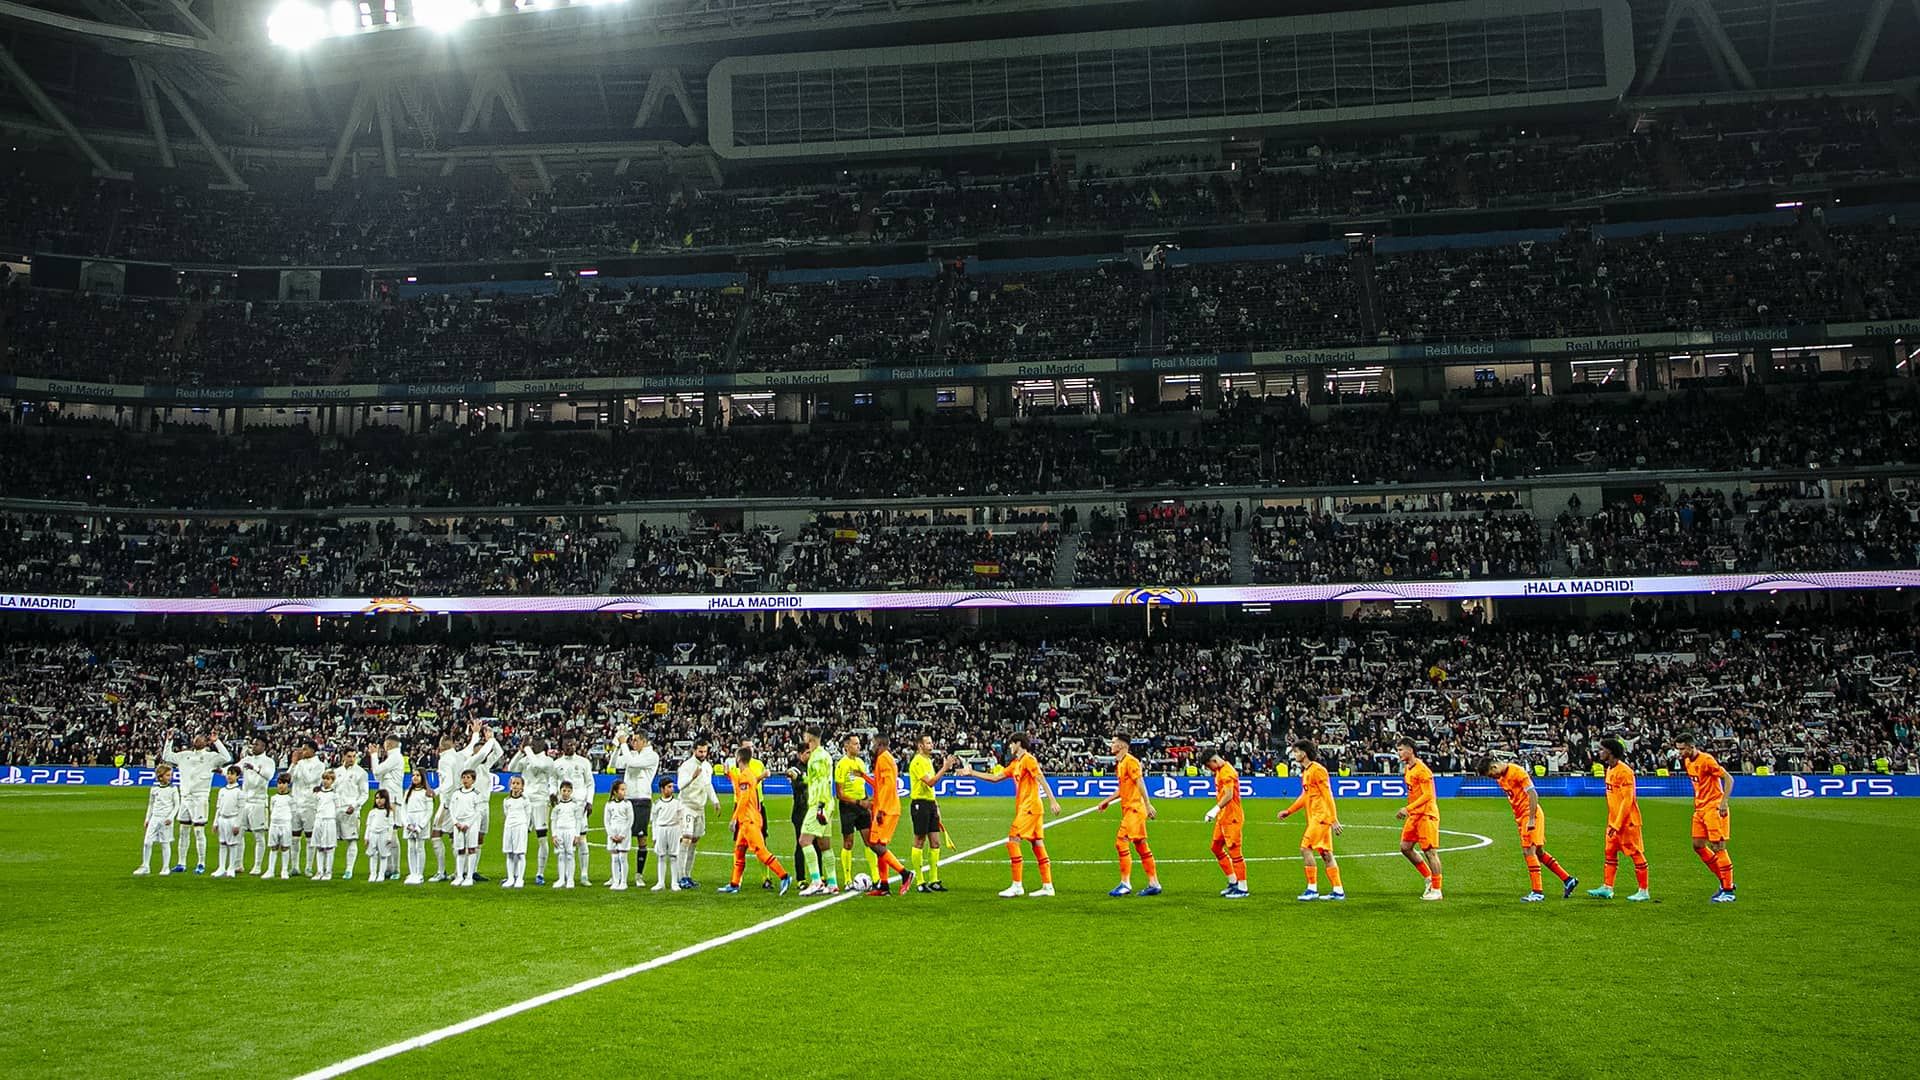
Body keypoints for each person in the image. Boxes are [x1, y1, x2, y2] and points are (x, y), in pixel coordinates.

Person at [953, 733, 1061, 898]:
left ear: (1018, 743)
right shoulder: (1016, 764)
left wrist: (1053, 801)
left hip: (1030, 807)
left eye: (1011, 744)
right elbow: (996, 778)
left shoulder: (1028, 760)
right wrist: (972, 773)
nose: (1010, 747)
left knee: (1013, 840)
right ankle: (1048, 886)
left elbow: (1041, 778)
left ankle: (1017, 885)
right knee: (1037, 843)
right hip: (1029, 808)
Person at [1475, 755, 1577, 902]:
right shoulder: (1501, 778)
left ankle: (1537, 891)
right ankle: (1568, 879)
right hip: (1521, 817)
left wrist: (1531, 818)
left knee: (1528, 850)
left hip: (1530, 814)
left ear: (1494, 767)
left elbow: (1533, 794)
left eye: (1491, 775)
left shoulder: (1518, 772)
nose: (1492, 778)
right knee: (1539, 853)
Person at [717, 747, 792, 896]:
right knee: (738, 852)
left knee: (761, 852)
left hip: (749, 821)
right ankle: (734, 883)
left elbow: (743, 799)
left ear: (738, 759)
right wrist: (729, 773)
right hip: (746, 821)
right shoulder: (747, 775)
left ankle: (784, 876)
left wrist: (733, 819)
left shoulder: (746, 776)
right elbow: (739, 785)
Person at [1278, 740, 1344, 901]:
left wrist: (1333, 819)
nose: (1294, 754)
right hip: (1316, 817)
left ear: (1304, 753)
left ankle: (1312, 889)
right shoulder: (1307, 771)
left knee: (1305, 848)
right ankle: (1338, 890)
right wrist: (1290, 811)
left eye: (1296, 751)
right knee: (1325, 853)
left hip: (1320, 817)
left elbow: (1328, 795)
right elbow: (1305, 795)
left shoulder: (1318, 770)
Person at [1096, 733, 1159, 897]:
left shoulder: (1131, 762)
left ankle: (1125, 883)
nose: (1111, 744)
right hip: (1130, 809)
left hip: (1135, 809)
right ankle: (1154, 884)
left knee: (1121, 841)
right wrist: (1107, 801)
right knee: (1140, 845)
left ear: (1122, 745)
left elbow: (1140, 782)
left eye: (1114, 742)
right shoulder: (1121, 763)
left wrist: (1148, 804)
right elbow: (1123, 789)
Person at [1675, 732, 1736, 902]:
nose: (1679, 753)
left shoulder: (1707, 760)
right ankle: (1724, 881)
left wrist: (1724, 802)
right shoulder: (1687, 761)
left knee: (1718, 846)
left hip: (1713, 808)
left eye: (1681, 749)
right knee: (1698, 845)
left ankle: (1728, 890)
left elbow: (1729, 779)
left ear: (1690, 746)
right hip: (1700, 808)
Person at [1588, 738, 1650, 901]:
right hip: (1613, 821)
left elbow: (1627, 800)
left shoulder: (1625, 772)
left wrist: (1617, 823)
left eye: (1602, 749)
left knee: (1636, 853)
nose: (1599, 752)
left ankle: (1644, 890)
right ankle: (1608, 887)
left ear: (1611, 752)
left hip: (1627, 822)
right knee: (1609, 852)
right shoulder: (1609, 769)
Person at [162, 730, 231, 874]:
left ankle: (201, 863)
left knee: (199, 832)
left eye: (201, 738)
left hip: (200, 798)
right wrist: (169, 740)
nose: (197, 739)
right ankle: (181, 863)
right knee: (183, 831)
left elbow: (227, 757)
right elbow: (166, 756)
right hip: (185, 797)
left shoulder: (211, 757)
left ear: (206, 743)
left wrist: (216, 741)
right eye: (195, 737)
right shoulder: (184, 755)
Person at [859, 734, 912, 896]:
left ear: (880, 744)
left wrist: (881, 809)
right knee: (879, 845)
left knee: (875, 844)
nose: (871, 746)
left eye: (874, 743)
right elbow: (880, 784)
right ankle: (884, 886)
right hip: (885, 807)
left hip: (886, 809)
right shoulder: (884, 759)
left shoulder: (884, 758)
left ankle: (905, 873)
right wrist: (864, 777)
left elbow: (889, 786)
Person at [1393, 737, 1443, 901]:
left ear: (1410, 750)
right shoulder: (1408, 768)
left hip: (1426, 815)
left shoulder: (1423, 770)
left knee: (1430, 851)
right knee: (1405, 847)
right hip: (1415, 815)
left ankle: (1437, 889)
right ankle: (1428, 877)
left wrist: (1407, 808)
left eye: (1400, 750)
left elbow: (1428, 795)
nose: (1398, 753)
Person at [505, 737, 560, 885]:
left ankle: (540, 873)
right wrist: (519, 752)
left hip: (540, 802)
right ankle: (514, 873)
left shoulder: (547, 761)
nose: (532, 745)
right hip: (524, 801)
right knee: (518, 837)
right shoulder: (527, 758)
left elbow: (537, 764)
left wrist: (527, 749)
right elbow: (511, 768)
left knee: (541, 838)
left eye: (535, 743)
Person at [908, 734, 955, 893]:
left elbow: (931, 788)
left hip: (930, 804)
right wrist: (945, 768)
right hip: (919, 804)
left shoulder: (927, 761)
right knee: (919, 840)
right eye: (928, 743)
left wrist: (936, 805)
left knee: (935, 842)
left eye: (931, 742)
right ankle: (920, 881)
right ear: (920, 746)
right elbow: (931, 782)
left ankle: (934, 879)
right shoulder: (918, 761)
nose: (931, 745)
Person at [611, 733, 659, 887]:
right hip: (627, 799)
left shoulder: (651, 755)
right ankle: (616, 875)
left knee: (641, 837)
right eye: (631, 740)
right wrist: (617, 745)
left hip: (642, 799)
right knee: (619, 835)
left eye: (636, 740)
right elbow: (613, 764)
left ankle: (639, 875)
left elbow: (634, 763)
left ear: (644, 741)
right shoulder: (629, 753)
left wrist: (624, 745)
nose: (633, 742)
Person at [797, 727, 840, 896]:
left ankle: (816, 881)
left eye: (805, 736)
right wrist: (801, 777)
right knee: (824, 845)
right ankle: (832, 883)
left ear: (810, 737)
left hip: (819, 804)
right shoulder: (823, 755)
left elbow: (823, 782)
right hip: (827, 803)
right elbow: (817, 779)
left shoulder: (817, 757)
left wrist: (821, 807)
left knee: (804, 840)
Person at [835, 734, 878, 889]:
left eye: (859, 743)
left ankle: (876, 878)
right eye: (855, 744)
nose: (858, 746)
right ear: (847, 746)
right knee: (848, 842)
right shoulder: (841, 765)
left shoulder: (860, 763)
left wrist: (868, 800)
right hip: (848, 807)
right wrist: (860, 802)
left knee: (870, 842)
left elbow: (861, 784)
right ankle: (847, 880)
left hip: (862, 806)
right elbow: (840, 794)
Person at [676, 737, 719, 890]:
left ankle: (687, 875)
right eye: (700, 751)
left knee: (694, 841)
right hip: (686, 805)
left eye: (705, 751)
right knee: (686, 839)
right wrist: (692, 777)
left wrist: (715, 801)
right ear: (694, 750)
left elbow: (708, 785)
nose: (702, 754)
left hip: (699, 807)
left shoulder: (707, 767)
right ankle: (680, 877)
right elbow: (680, 786)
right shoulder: (686, 766)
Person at [1203, 749, 1247, 899]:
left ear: (1213, 761)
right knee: (1215, 847)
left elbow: (1228, 795)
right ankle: (1233, 881)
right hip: (1223, 817)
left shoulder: (1227, 772)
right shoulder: (1220, 771)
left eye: (1209, 766)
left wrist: (1214, 809)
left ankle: (1243, 887)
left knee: (1235, 851)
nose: (1210, 770)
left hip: (1232, 817)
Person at [555, 737, 597, 886]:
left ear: (576, 744)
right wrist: (552, 794)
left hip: (579, 806)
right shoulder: (557, 764)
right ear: (562, 746)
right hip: (563, 808)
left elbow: (590, 784)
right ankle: (564, 876)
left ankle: (584, 874)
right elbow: (553, 782)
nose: (570, 746)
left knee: (581, 840)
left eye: (572, 743)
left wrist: (590, 801)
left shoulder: (584, 762)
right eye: (567, 744)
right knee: (563, 843)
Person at [238, 737, 277, 876]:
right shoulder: (247, 759)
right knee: (239, 833)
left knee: (258, 835)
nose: (253, 747)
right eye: (253, 744)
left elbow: (269, 776)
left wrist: (255, 768)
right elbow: (236, 768)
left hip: (259, 801)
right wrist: (221, 770)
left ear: (263, 746)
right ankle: (238, 864)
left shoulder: (268, 761)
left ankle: (258, 865)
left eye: (256, 744)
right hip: (244, 801)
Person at [369, 739, 406, 879]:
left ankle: (395, 869)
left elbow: (377, 772)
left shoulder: (395, 757)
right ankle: (389, 868)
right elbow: (378, 776)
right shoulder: (393, 757)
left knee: (393, 834)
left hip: (393, 800)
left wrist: (373, 755)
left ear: (389, 744)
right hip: (388, 799)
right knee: (386, 834)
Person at [137, 763, 182, 876]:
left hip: (165, 819)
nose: (169, 777)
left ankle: (165, 867)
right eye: (167, 775)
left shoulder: (173, 789)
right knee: (147, 842)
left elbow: (177, 804)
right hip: (155, 818)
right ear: (160, 776)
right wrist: (147, 818)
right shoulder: (154, 788)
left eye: (170, 775)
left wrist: (171, 817)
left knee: (165, 843)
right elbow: (151, 804)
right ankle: (145, 866)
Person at [288, 741, 325, 878]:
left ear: (313, 750)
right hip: (295, 803)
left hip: (309, 804)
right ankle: (295, 866)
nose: (302, 752)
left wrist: (299, 764)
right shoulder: (299, 764)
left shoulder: (319, 765)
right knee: (294, 837)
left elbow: (310, 780)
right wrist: (293, 764)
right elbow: (289, 779)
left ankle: (309, 867)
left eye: (305, 749)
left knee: (310, 837)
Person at [334, 748, 370, 881]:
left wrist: (354, 806)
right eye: (349, 756)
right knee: (331, 841)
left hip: (352, 810)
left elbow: (365, 794)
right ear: (343, 756)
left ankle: (349, 870)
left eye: (354, 756)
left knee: (352, 840)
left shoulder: (361, 773)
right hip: (336, 810)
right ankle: (326, 870)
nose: (352, 759)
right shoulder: (336, 772)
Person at [650, 776, 690, 892]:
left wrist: (682, 833)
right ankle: (660, 882)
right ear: (662, 789)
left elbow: (681, 818)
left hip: (674, 829)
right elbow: (654, 821)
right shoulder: (657, 804)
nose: (672, 789)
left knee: (673, 856)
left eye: (672, 786)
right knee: (661, 856)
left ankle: (674, 882)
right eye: (669, 787)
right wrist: (654, 836)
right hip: (661, 829)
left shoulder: (677, 803)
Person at [448, 768, 486, 887]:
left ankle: (469, 876)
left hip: (471, 825)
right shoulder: (456, 793)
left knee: (471, 849)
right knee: (459, 849)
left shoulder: (477, 794)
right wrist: (455, 822)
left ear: (473, 780)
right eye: (464, 777)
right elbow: (451, 808)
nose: (465, 780)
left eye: (468, 777)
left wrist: (468, 824)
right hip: (458, 825)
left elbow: (478, 811)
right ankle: (459, 875)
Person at [551, 780, 587, 890]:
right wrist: (554, 835)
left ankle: (570, 879)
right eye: (564, 790)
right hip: (559, 831)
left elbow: (578, 820)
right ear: (560, 791)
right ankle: (561, 879)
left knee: (570, 855)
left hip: (570, 831)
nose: (565, 793)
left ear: (571, 792)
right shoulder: (556, 806)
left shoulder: (575, 806)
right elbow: (553, 820)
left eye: (568, 791)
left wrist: (577, 835)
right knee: (561, 855)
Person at [402, 769, 434, 885]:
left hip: (421, 821)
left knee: (419, 847)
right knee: (410, 848)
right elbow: (403, 809)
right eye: (413, 775)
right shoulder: (408, 792)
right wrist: (406, 824)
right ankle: (412, 872)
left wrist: (420, 826)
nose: (415, 777)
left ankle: (419, 873)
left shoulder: (427, 792)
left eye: (417, 775)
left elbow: (429, 811)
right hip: (410, 821)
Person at [500, 775, 532, 889]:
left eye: (518, 784)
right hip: (509, 827)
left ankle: (520, 878)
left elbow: (528, 815)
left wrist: (526, 827)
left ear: (522, 786)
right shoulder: (506, 800)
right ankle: (510, 878)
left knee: (520, 853)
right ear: (510, 785)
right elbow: (506, 813)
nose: (515, 786)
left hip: (520, 827)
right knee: (509, 853)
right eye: (513, 783)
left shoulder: (525, 800)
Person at [212, 767, 245, 878]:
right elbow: (218, 808)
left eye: (232, 774)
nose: (229, 776)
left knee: (232, 844)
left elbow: (241, 809)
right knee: (222, 843)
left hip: (232, 819)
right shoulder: (222, 790)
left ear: (237, 776)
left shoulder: (239, 792)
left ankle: (231, 867)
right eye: (228, 774)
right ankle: (221, 867)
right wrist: (215, 822)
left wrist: (237, 824)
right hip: (222, 819)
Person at [605, 780, 635, 892]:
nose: (624, 792)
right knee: (614, 858)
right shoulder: (609, 805)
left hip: (624, 832)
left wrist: (623, 834)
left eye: (624, 789)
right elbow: (606, 821)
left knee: (623, 857)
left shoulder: (627, 804)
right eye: (622, 789)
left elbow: (630, 820)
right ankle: (615, 880)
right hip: (613, 831)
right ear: (615, 791)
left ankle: (623, 881)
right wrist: (611, 834)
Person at [312, 770, 342, 881]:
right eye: (324, 778)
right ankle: (319, 871)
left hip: (329, 821)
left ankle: (328, 872)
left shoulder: (334, 795)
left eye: (328, 779)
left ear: (333, 781)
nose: (325, 781)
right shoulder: (318, 794)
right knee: (319, 847)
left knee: (329, 848)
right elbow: (315, 806)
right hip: (319, 820)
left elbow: (338, 809)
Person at [364, 789, 398, 885]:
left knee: (383, 855)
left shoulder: (389, 812)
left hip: (383, 834)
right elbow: (369, 825)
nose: (379, 800)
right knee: (373, 855)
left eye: (381, 798)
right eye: (377, 798)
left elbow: (391, 826)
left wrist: (389, 838)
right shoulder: (372, 812)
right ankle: (373, 874)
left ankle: (381, 874)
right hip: (373, 834)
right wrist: (366, 837)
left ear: (386, 799)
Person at [265, 774, 295, 879]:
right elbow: (271, 810)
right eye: (279, 783)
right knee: (273, 847)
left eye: (284, 783)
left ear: (288, 785)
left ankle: (284, 870)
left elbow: (293, 811)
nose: (281, 786)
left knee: (285, 847)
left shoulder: (290, 799)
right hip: (274, 824)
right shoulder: (273, 798)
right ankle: (270, 870)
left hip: (285, 824)